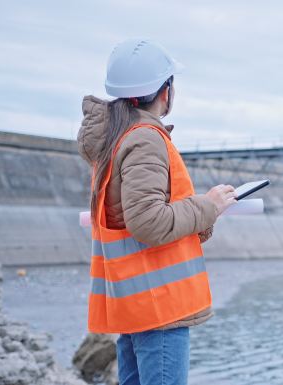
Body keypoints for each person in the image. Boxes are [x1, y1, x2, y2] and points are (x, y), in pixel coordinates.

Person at [76, 38, 236, 385]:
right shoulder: (144, 138)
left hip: (135, 304)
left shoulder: (116, 139)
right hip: (159, 308)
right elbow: (148, 221)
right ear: (165, 91)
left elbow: (130, 215)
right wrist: (209, 206)